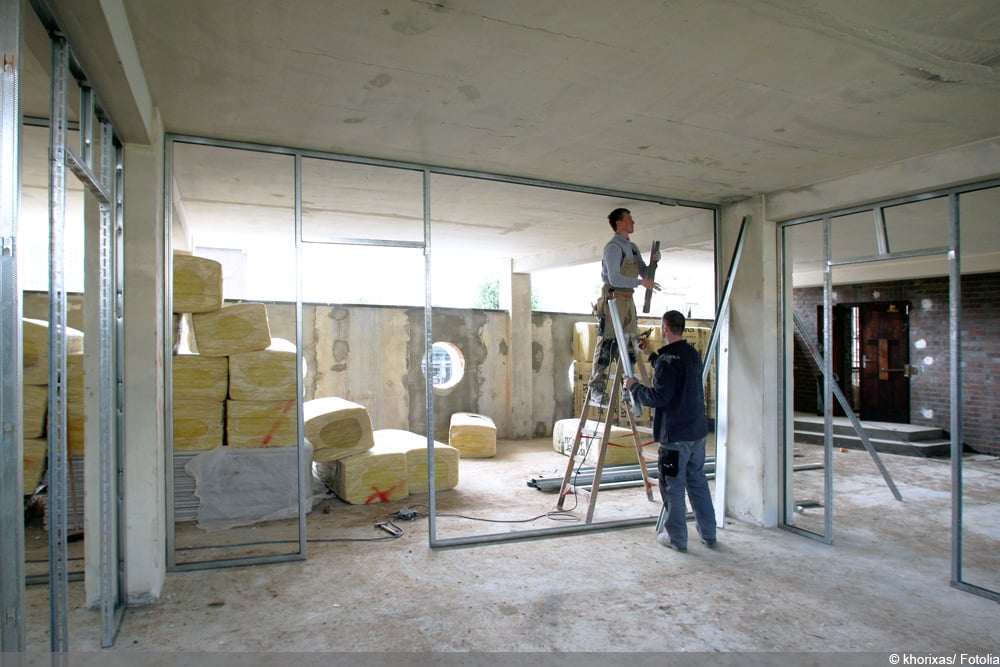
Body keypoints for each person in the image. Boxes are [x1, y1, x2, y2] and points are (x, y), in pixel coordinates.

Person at [624, 309, 716, 552]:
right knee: (697, 481)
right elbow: (674, 373)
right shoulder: (692, 354)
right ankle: (709, 533)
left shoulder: (667, 361)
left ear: (665, 328)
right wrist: (652, 354)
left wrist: (634, 387)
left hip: (675, 437)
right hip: (696, 433)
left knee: (673, 486)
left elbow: (659, 396)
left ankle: (676, 538)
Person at [587, 207, 660, 404]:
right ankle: (596, 389)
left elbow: (645, 274)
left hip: (628, 300)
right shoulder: (612, 248)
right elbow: (615, 278)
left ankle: (628, 387)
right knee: (607, 344)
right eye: (629, 219)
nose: (633, 222)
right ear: (619, 223)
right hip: (613, 299)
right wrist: (640, 283)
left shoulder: (633, 248)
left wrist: (654, 263)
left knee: (629, 344)